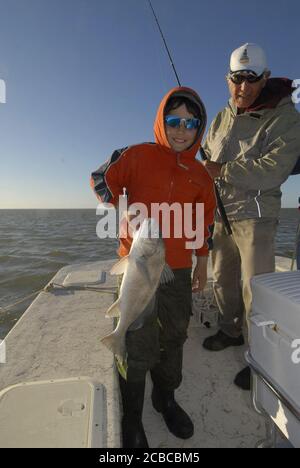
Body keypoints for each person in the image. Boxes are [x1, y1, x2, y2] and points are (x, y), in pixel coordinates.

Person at [90, 87, 216, 448]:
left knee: (174, 337)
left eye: (190, 123)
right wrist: (119, 206)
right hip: (138, 269)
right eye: (173, 120)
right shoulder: (138, 154)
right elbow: (101, 178)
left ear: (199, 127)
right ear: (162, 121)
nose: (181, 129)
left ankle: (166, 398)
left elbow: (204, 225)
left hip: (176, 272)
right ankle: (132, 418)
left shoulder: (202, 175)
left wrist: (202, 264)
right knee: (136, 338)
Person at [202, 43, 300, 390]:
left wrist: (222, 170)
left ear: (265, 78)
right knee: (222, 279)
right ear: (228, 79)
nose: (242, 88)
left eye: (250, 79)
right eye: (236, 79)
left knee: (255, 290)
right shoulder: (223, 113)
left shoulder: (286, 117)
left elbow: (274, 170)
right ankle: (230, 330)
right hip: (221, 214)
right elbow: (209, 156)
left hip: (255, 217)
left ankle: (260, 358)